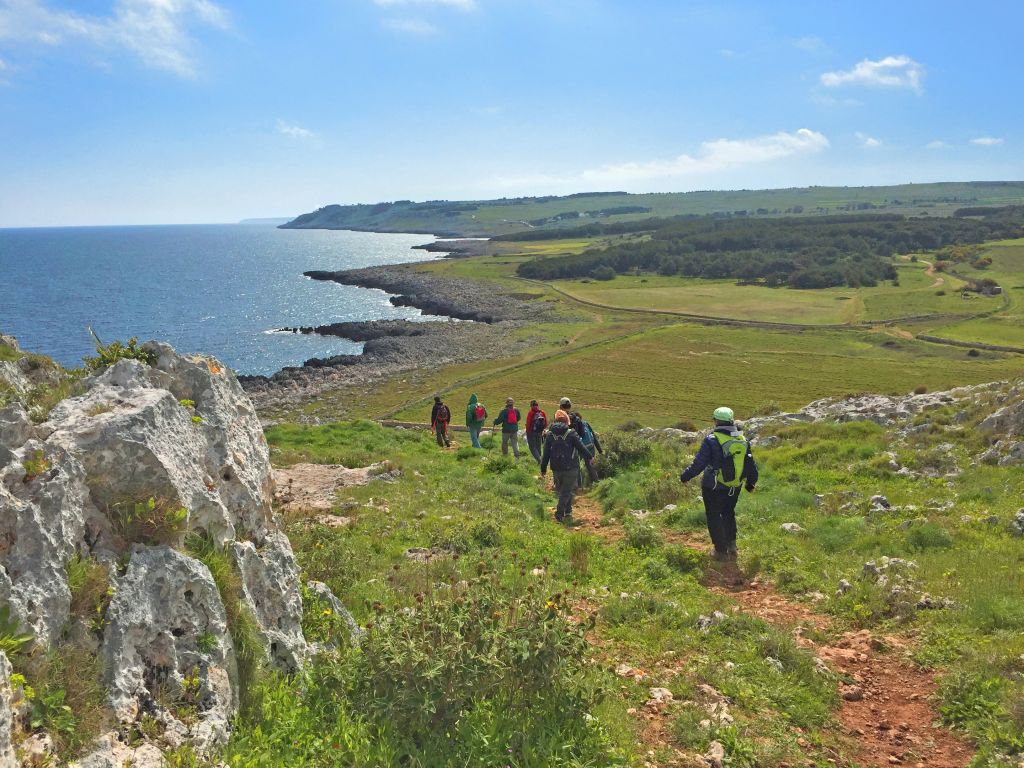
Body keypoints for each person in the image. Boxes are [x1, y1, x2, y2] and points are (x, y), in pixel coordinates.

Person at [679, 406, 758, 560]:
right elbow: (750, 464)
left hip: (713, 486)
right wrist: (751, 483)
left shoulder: (711, 439)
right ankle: (732, 546)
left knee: (714, 515)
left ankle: (720, 551)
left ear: (716, 421)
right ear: (731, 420)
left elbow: (698, 464)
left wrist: (685, 477)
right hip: (735, 485)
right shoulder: (742, 439)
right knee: (728, 513)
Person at [540, 410, 595, 523]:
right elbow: (581, 447)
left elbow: (546, 453)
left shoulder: (550, 435)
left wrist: (543, 469)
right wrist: (590, 457)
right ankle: (560, 513)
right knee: (566, 490)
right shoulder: (572, 433)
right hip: (571, 467)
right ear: (567, 421)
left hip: (556, 468)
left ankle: (568, 511)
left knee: (563, 490)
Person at [570, 409, 602, 486]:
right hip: (591, 446)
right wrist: (600, 450)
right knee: (591, 466)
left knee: (576, 466)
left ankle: (579, 486)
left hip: (581, 447)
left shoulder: (574, 425)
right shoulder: (586, 423)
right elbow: (593, 436)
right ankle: (596, 483)